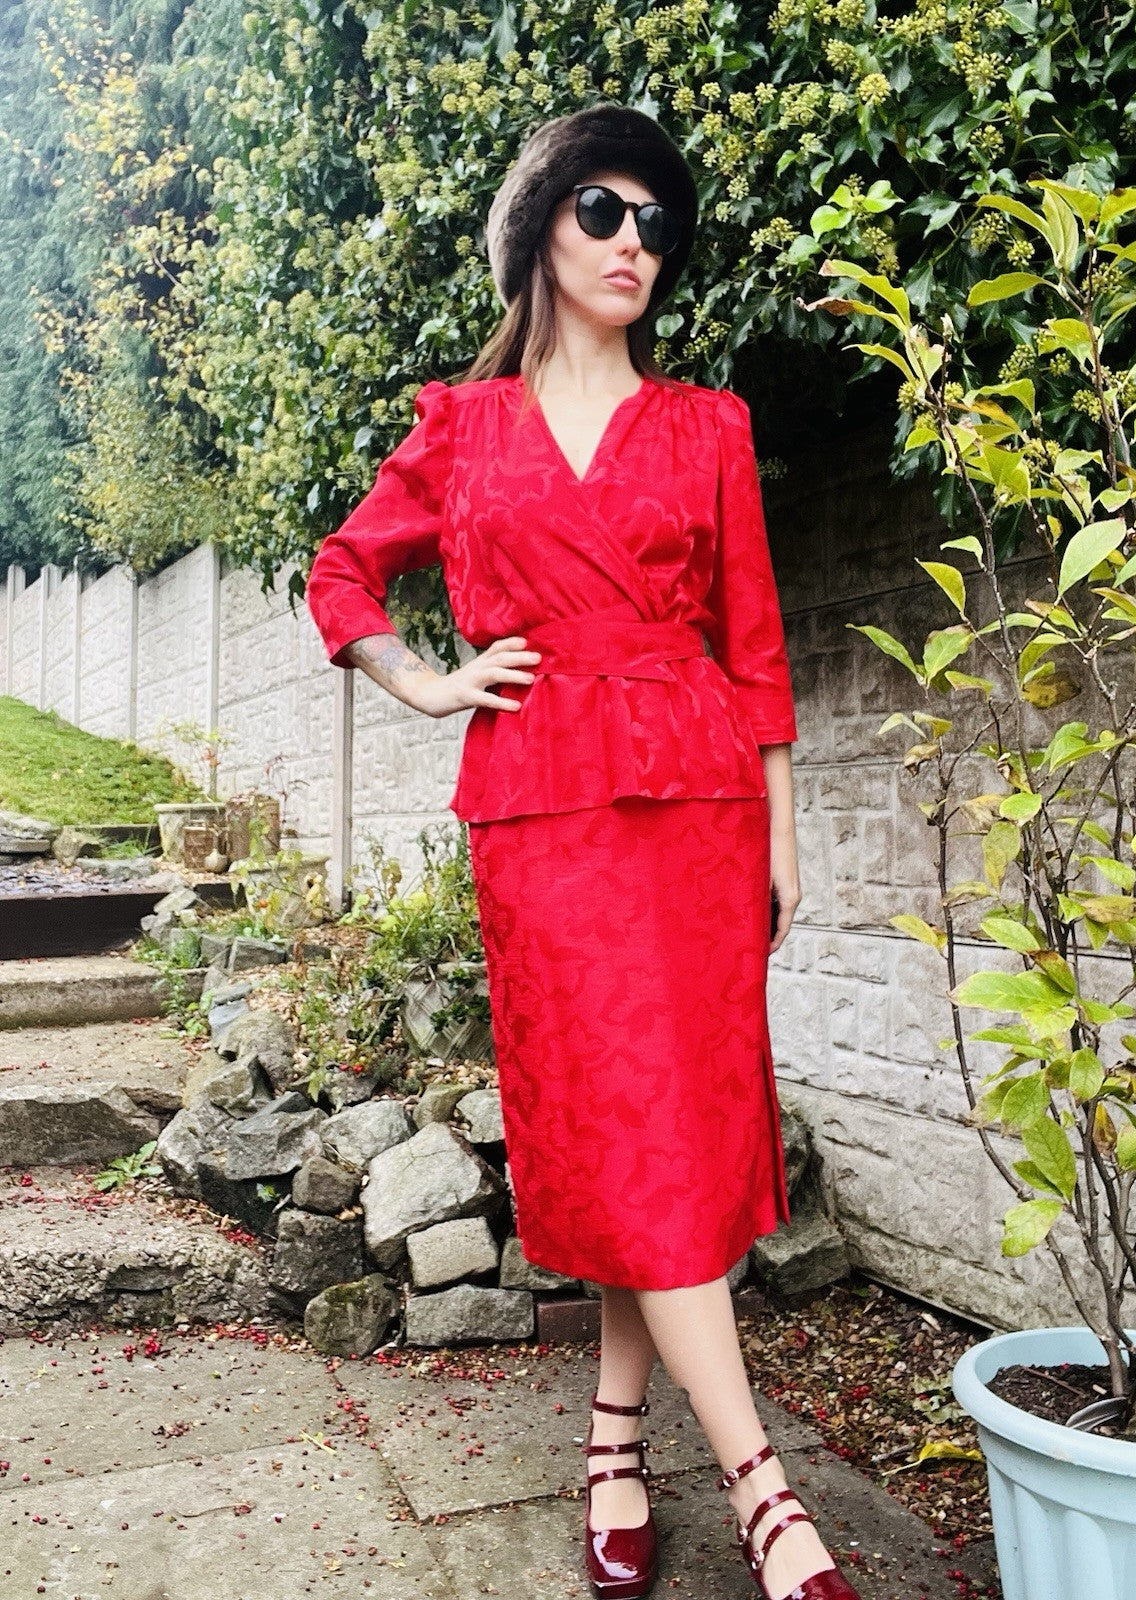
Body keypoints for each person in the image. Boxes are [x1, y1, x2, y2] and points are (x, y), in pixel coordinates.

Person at [305, 103, 860, 1600]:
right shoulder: (462, 428)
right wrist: (428, 682)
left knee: (663, 1134)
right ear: (540, 226)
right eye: (602, 211)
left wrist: (784, 832)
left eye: (656, 224)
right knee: (628, 1127)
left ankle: (621, 1439)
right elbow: (343, 571)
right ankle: (763, 1488)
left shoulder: (708, 426)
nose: (634, 244)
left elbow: (756, 643)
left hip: (699, 806)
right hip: (543, 812)